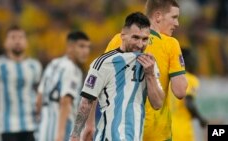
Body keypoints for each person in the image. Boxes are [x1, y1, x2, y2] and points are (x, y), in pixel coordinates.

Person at [70, 12, 164, 141]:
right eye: (135, 37)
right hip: (111, 135)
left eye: (145, 39)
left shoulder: (149, 63)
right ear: (123, 35)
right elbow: (87, 101)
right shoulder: (104, 63)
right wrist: (75, 135)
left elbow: (158, 103)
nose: (140, 44)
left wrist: (150, 75)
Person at [102, 0, 188, 141]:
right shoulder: (170, 44)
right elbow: (180, 91)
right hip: (157, 133)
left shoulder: (119, 39)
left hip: (123, 130)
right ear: (158, 16)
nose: (177, 23)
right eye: (174, 17)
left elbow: (99, 80)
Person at [0, 25, 42, 141]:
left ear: (26, 42)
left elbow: (40, 94)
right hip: (6, 127)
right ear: (5, 43)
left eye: (21, 37)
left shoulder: (35, 66)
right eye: (13, 37)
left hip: (31, 126)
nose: (17, 41)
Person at [36, 31, 91, 141]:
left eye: (88, 47)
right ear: (70, 47)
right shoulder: (73, 70)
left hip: (43, 130)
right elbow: (65, 101)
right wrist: (60, 135)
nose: (86, 51)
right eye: (81, 46)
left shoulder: (53, 64)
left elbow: (39, 99)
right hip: (63, 130)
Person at [170, 48, 208, 141]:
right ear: (185, 61)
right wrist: (201, 119)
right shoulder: (190, 79)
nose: (195, 62)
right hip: (182, 130)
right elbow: (189, 102)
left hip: (167, 129)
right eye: (192, 59)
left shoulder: (171, 77)